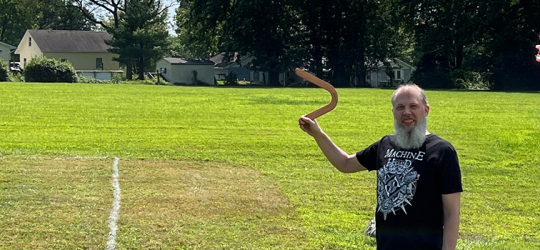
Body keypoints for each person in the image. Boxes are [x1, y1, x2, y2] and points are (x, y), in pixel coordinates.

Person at [299, 84, 462, 250]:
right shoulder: (386, 145)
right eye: (400, 107)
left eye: (413, 106)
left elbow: (452, 212)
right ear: (393, 112)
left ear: (426, 110)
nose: (406, 112)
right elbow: (346, 163)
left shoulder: (442, 151)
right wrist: (318, 134)